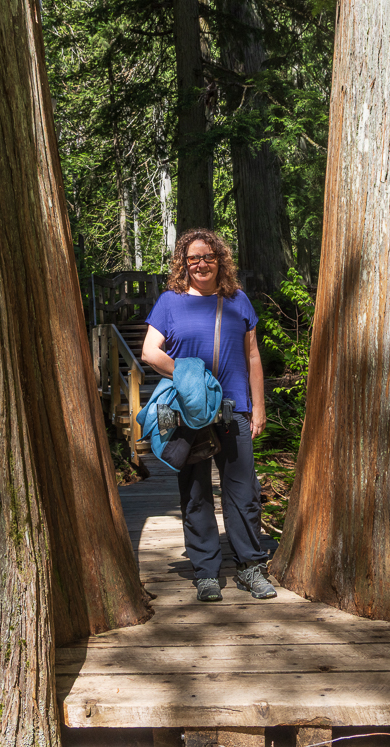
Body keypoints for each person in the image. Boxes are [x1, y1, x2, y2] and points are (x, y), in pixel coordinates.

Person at [141, 228, 276, 602]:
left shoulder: (237, 301)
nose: (201, 264)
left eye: (208, 257)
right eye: (193, 258)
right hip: (187, 414)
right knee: (196, 491)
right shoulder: (170, 302)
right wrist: (190, 375)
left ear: (220, 261)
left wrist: (259, 406)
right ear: (183, 264)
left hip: (234, 410)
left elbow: (252, 357)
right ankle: (206, 572)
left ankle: (250, 566)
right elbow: (150, 353)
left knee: (243, 492)